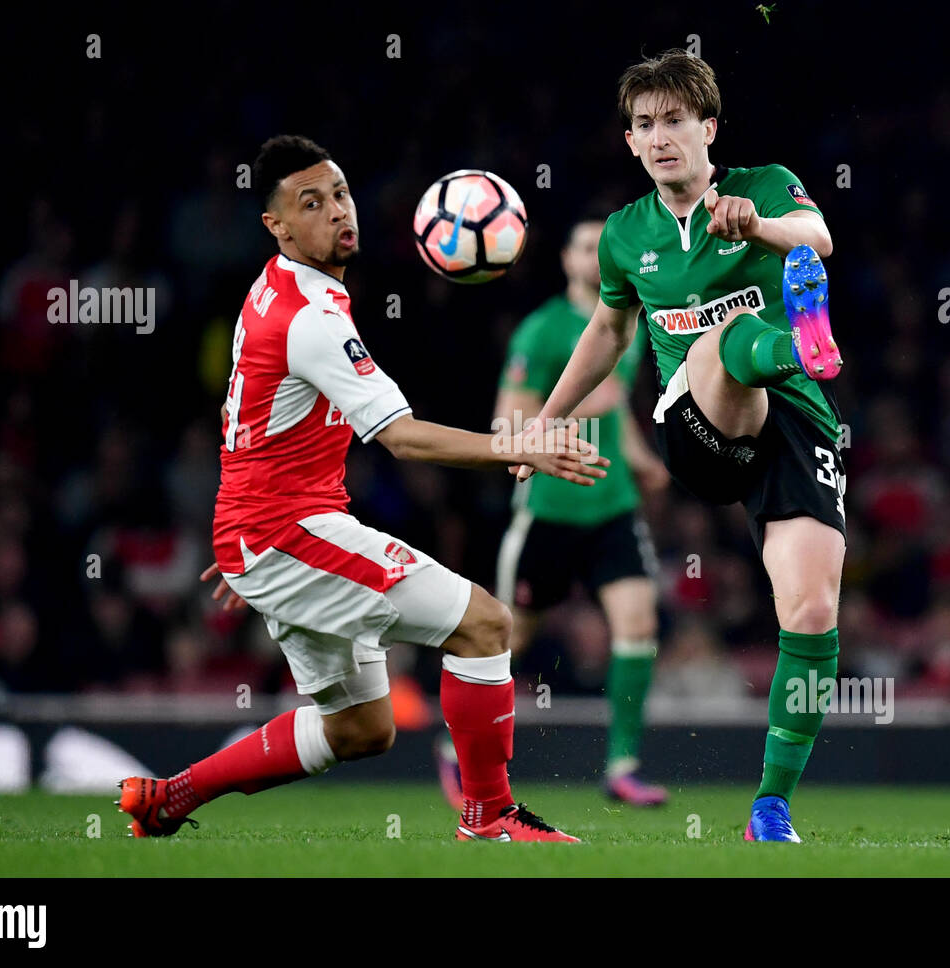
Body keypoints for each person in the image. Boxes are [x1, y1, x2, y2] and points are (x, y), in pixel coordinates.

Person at [117, 135, 609, 843]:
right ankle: (491, 817)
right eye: (310, 204)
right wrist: (522, 444)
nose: (337, 213)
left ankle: (172, 796)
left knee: (361, 729)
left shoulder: (275, 289)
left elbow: (252, 420)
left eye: (340, 194)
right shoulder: (311, 318)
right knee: (486, 625)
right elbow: (401, 438)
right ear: (277, 227)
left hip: (268, 532)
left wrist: (243, 547)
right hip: (286, 531)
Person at [519, 51, 846, 842]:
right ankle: (799, 344)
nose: (660, 137)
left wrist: (757, 226)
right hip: (694, 424)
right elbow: (607, 331)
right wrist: (547, 420)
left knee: (810, 610)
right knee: (723, 337)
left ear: (707, 127)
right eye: (644, 125)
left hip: (794, 424)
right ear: (631, 142)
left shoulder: (763, 183)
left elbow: (816, 236)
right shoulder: (627, 236)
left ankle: (770, 807)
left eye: (674, 121)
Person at [436, 216, 671, 807]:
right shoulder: (540, 332)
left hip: (611, 504)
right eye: (585, 246)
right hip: (547, 511)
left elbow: (613, 415)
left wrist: (641, 460)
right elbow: (507, 423)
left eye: (604, 247)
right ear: (565, 259)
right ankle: (455, 748)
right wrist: (584, 404)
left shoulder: (628, 322)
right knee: (505, 641)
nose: (596, 257)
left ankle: (622, 764)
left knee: (638, 626)